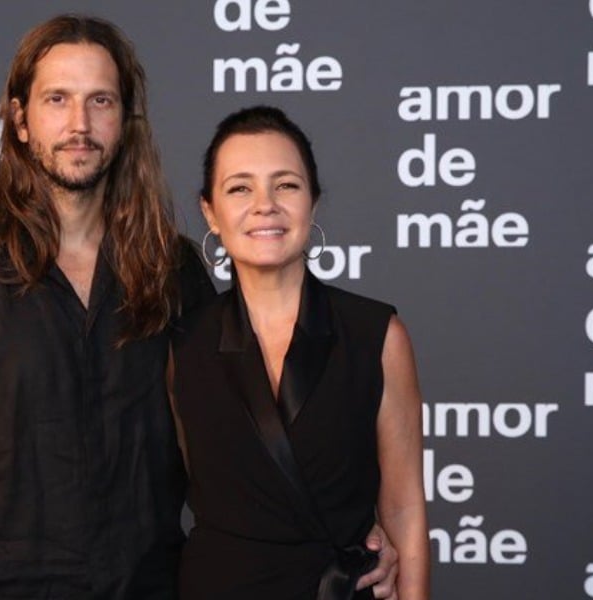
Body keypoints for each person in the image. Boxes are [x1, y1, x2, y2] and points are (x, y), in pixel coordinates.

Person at [0, 15, 399, 599]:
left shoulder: (173, 271)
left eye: (101, 100)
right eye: (57, 100)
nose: (80, 124)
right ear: (20, 120)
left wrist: (344, 526)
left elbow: (233, 443)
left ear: (125, 121)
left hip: (151, 586)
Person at [170, 106, 429, 599]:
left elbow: (402, 506)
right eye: (240, 188)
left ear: (313, 200)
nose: (265, 205)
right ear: (211, 213)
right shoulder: (182, 344)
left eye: (285, 185)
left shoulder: (377, 335)